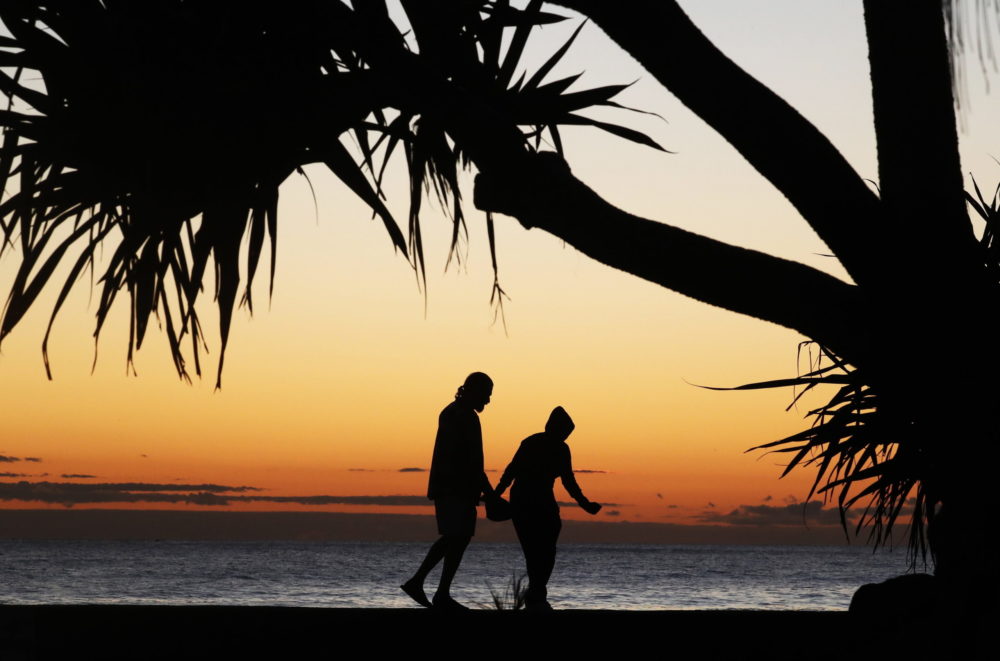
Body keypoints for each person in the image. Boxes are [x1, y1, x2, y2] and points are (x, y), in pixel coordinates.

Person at [401, 372, 495, 610]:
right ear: (473, 391)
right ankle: (425, 585)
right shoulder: (465, 416)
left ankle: (434, 589)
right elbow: (472, 461)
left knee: (457, 537)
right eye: (486, 395)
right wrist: (491, 493)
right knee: (456, 536)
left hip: (450, 487)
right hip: (455, 488)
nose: (488, 401)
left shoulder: (451, 412)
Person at [495, 406, 601, 610]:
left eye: (567, 434)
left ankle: (537, 593)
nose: (564, 437)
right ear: (552, 427)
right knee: (532, 550)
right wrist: (495, 494)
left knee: (547, 548)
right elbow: (511, 471)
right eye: (563, 432)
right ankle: (536, 596)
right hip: (523, 499)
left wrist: (585, 504)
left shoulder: (562, 449)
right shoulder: (531, 443)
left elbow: (568, 481)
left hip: (544, 499)